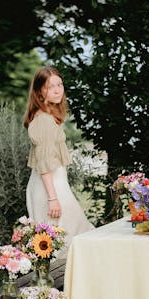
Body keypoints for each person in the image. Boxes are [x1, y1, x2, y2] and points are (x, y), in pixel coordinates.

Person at [23, 66, 94, 255]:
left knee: (70, 235)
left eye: (59, 84)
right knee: (65, 239)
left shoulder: (49, 117)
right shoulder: (43, 120)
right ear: (39, 92)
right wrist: (53, 198)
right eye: (50, 86)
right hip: (50, 187)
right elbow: (44, 163)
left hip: (54, 184)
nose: (57, 90)